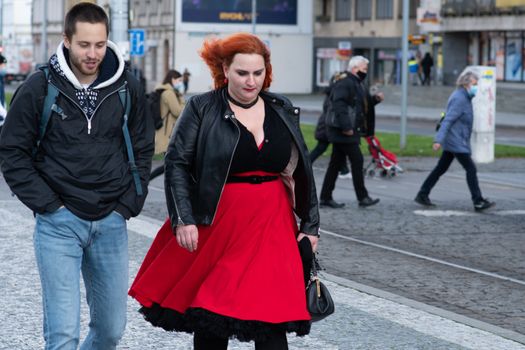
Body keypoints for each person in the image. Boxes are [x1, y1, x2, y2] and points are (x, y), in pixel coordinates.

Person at [129, 32, 320, 349]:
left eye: (258, 73)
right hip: (218, 221)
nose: (251, 81)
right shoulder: (202, 107)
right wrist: (183, 218)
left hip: (274, 223)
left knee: (272, 320)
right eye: (242, 73)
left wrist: (311, 225)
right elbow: (177, 163)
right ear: (225, 70)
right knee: (213, 315)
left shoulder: (282, 109)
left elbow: (303, 171)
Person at [0, 3, 153, 349]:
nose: (93, 53)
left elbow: (144, 146)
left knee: (111, 329)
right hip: (59, 223)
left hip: (111, 221)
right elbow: (11, 151)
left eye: (100, 45)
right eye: (84, 45)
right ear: (66, 40)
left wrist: (128, 204)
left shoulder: (127, 86)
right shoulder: (39, 87)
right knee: (62, 334)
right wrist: (48, 205)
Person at [414, 69, 495, 212]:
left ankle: (423, 193)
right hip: (456, 141)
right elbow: (448, 120)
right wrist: (438, 140)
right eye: (475, 84)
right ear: (467, 84)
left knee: (441, 168)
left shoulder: (464, 96)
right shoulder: (460, 98)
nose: (477, 87)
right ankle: (477, 201)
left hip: (455, 140)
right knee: (470, 168)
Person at [319, 56, 381, 209]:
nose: (365, 72)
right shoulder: (346, 82)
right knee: (357, 160)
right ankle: (363, 197)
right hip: (343, 130)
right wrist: (347, 127)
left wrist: (375, 100)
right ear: (354, 68)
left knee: (335, 163)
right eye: (364, 69)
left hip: (347, 129)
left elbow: (359, 105)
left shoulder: (356, 82)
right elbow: (339, 104)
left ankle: (326, 197)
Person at [310, 72, 350, 178]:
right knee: (326, 147)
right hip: (328, 125)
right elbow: (333, 110)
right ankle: (344, 170)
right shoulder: (335, 93)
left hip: (326, 124)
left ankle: (344, 169)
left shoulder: (333, 91)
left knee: (335, 148)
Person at [150, 69, 186, 180]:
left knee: (170, 164)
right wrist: (181, 97)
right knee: (171, 163)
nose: (181, 83)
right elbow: (178, 111)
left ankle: (147, 181)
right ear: (173, 80)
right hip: (168, 133)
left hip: (167, 132)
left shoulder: (167, 92)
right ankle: (146, 180)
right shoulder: (169, 93)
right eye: (179, 80)